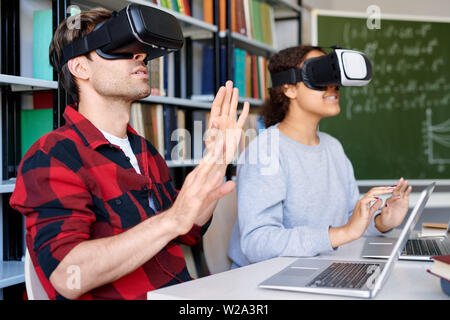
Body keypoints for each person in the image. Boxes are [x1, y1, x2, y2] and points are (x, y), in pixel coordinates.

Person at [10, 7, 249, 299]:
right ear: (80, 68)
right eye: (120, 47)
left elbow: (188, 230)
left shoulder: (143, 151)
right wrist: (172, 219)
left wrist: (218, 158)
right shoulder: (53, 155)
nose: (139, 56)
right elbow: (67, 276)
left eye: (140, 50)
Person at [228, 45, 412, 268]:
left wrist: (382, 221)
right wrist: (341, 233)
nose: (333, 86)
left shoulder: (333, 147)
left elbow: (349, 221)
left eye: (334, 77)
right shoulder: (265, 152)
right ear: (289, 89)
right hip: (265, 279)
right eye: (320, 75)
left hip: (322, 267)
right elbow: (257, 243)